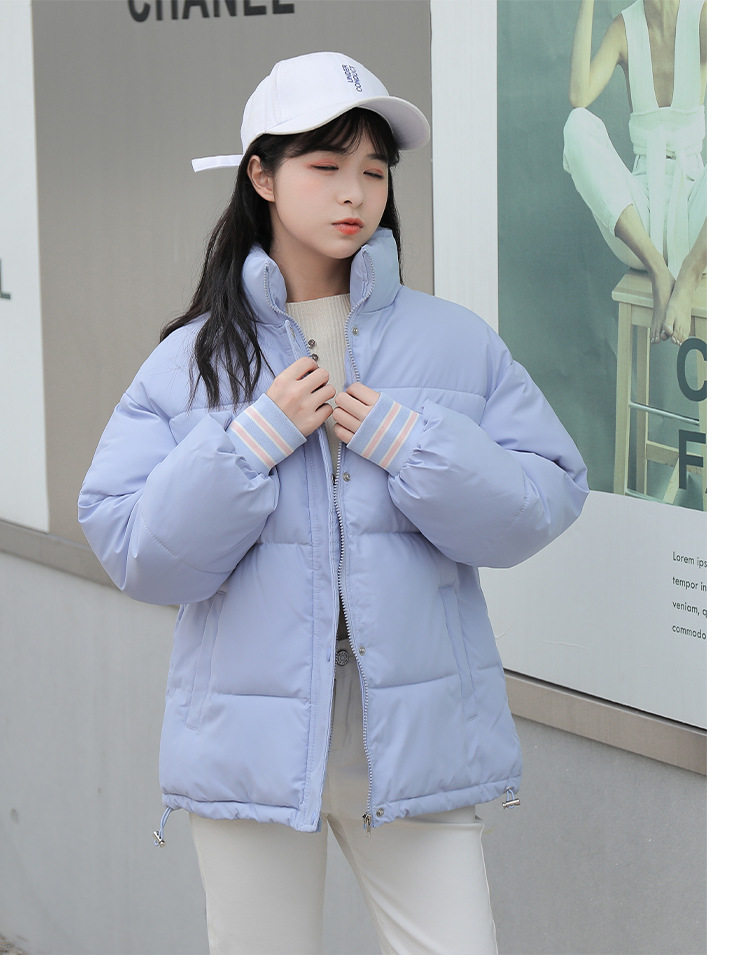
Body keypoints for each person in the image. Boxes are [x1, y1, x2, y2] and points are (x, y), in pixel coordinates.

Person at [79, 52, 588, 955]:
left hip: (418, 734)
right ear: (262, 176)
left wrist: (414, 447)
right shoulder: (194, 362)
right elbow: (136, 550)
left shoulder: (455, 343)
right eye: (325, 165)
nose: (356, 192)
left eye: (375, 171)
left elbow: (542, 497)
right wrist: (250, 445)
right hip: (252, 739)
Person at [563, 0, 707, 344]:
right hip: (639, 229)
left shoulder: (702, 13)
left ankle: (687, 276)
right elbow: (579, 95)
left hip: (700, 224)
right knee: (577, 125)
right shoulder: (623, 28)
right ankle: (659, 271)